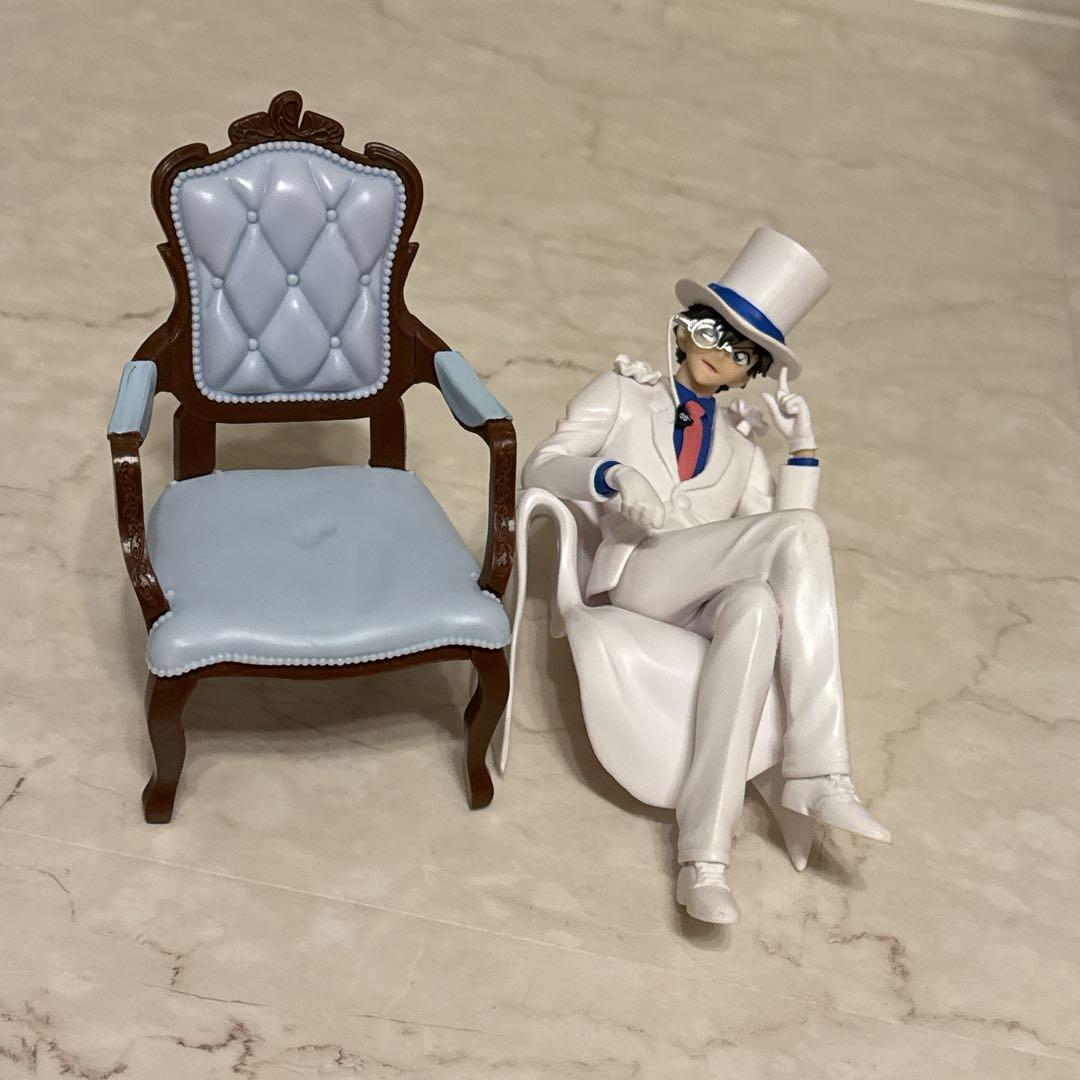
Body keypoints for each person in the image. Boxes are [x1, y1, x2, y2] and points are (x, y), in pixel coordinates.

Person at [521, 228, 890, 925]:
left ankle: (704, 859)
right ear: (682, 329)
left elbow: (786, 555)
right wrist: (611, 475)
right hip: (637, 575)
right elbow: (542, 465)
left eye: (742, 353)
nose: (722, 354)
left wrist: (801, 450)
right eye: (713, 333)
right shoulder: (623, 393)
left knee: (756, 607)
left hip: (701, 598)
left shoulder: (742, 454)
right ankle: (818, 770)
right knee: (794, 539)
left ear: (751, 373)